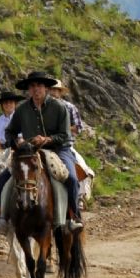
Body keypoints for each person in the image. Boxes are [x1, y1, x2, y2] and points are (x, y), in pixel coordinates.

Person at [0, 71, 83, 233]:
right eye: (32, 86)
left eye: (39, 86)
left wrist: (47, 139)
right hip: (29, 151)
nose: (36, 89)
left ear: (46, 88)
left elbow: (65, 135)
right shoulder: (22, 110)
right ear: (28, 89)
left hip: (58, 149)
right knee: (2, 179)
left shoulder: (60, 107)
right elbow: (10, 132)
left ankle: (73, 217)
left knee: (71, 178)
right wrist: (17, 142)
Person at [49, 80, 96, 211]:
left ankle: (78, 198)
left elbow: (78, 127)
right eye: (51, 89)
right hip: (46, 145)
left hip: (65, 145)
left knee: (81, 169)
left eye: (56, 90)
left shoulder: (69, 107)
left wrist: (63, 129)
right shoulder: (43, 107)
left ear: (60, 92)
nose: (53, 92)